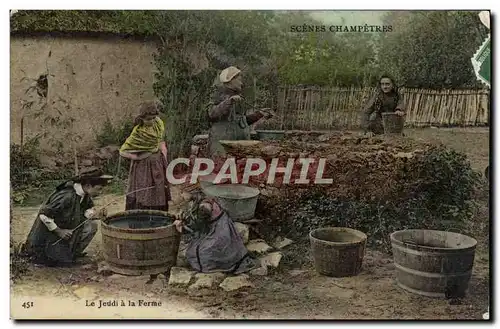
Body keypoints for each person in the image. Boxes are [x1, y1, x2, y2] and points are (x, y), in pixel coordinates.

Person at [21, 168, 112, 266]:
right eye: (99, 189)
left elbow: (82, 210)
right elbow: (44, 215)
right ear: (88, 185)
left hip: (65, 230)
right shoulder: (66, 196)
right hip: (50, 236)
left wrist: (94, 214)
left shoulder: (84, 194)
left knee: (91, 226)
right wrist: (59, 231)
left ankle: (72, 254)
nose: (100, 192)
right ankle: (49, 257)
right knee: (56, 261)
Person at [172, 179, 256, 274]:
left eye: (182, 192)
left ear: (191, 192)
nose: (181, 195)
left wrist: (182, 228)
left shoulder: (204, 206)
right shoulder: (197, 201)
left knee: (202, 252)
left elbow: (199, 226)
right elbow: (195, 219)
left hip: (219, 231)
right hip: (213, 228)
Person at [207, 66, 275, 158]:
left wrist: (260, 114)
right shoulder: (217, 95)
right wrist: (229, 102)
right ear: (230, 80)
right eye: (239, 80)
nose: (241, 83)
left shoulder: (238, 97)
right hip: (221, 147)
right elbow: (211, 114)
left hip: (237, 149)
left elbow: (242, 122)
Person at [120, 101, 171, 211]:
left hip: (157, 163)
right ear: (141, 118)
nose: (151, 121)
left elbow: (161, 141)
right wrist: (136, 157)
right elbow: (123, 151)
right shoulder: (138, 132)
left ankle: (159, 215)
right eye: (148, 119)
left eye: (153, 118)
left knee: (158, 189)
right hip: (143, 166)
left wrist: (164, 153)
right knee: (144, 191)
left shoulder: (158, 124)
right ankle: (143, 216)